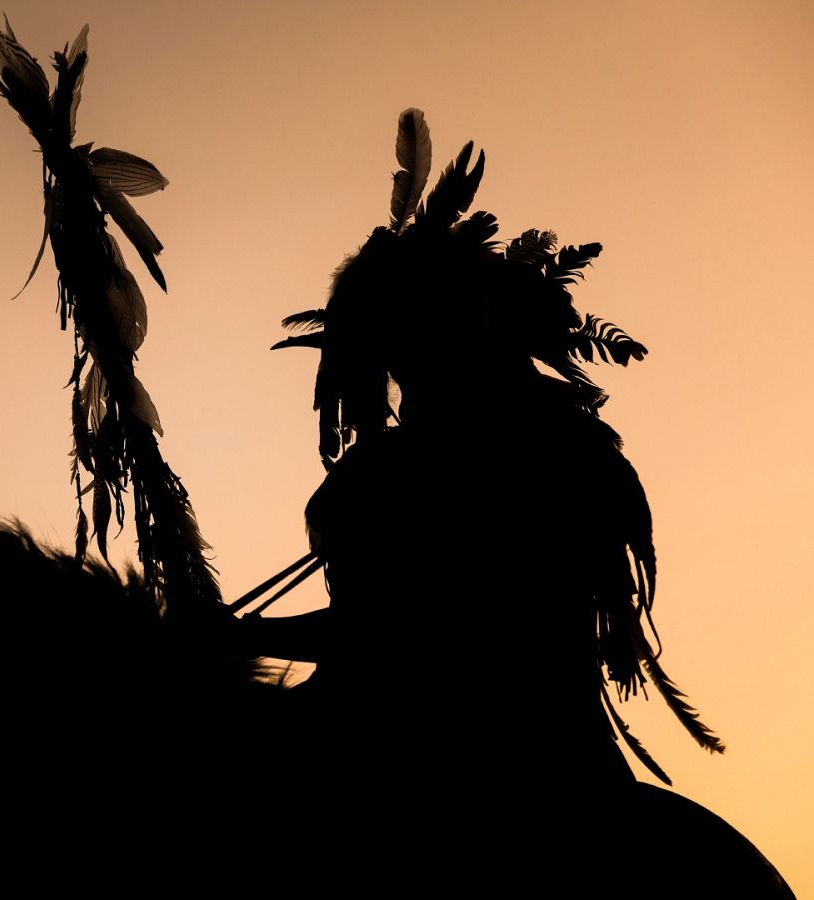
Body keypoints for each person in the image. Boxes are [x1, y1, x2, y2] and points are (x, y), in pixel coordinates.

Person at [240, 110, 721, 883]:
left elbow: (400, 627)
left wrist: (242, 639)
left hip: (513, 760)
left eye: (409, 336)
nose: (398, 368)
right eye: (388, 347)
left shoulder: (536, 447)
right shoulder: (401, 462)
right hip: (402, 730)